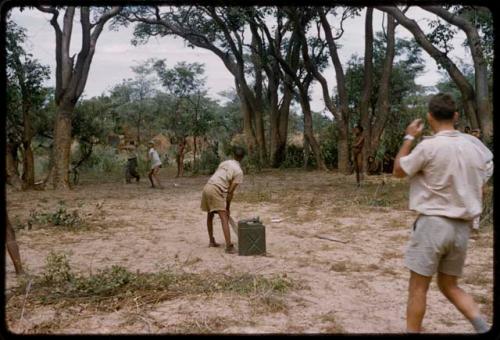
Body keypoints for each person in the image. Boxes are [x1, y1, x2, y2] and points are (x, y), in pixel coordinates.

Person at [393, 93, 493, 333]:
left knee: (418, 288)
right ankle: (483, 329)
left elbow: (398, 170)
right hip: (462, 228)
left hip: (433, 225)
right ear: (456, 116)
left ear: (430, 117)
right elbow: (484, 176)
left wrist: (409, 137)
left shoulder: (429, 146)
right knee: (450, 285)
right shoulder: (473, 145)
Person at [200, 146, 246, 254]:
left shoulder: (225, 163)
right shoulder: (239, 172)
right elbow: (230, 192)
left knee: (210, 214)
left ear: (233, 155)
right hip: (216, 189)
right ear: (242, 157)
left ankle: (211, 241)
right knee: (224, 217)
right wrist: (227, 207)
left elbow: (218, 176)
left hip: (207, 186)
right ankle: (229, 247)